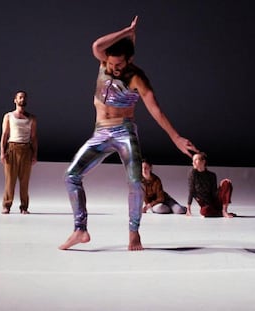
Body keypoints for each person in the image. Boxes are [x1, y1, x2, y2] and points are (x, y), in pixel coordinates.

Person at [59, 16, 198, 251]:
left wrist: (175, 137)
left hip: (124, 131)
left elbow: (155, 109)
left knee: (135, 182)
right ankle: (80, 229)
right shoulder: (105, 63)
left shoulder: (137, 78)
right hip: (101, 132)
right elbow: (96, 46)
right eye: (111, 64)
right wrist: (126, 31)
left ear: (130, 60)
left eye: (119, 65)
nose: (113, 68)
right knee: (71, 175)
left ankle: (134, 233)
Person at [0, 90, 38, 214]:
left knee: (24, 181)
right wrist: (1, 152)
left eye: (24, 98)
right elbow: (4, 135)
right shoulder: (8, 116)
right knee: (10, 180)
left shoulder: (31, 118)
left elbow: (33, 137)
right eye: (20, 97)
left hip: (26, 150)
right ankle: (6, 205)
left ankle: (24, 207)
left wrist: (35, 154)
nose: (22, 99)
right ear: (15, 100)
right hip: (12, 148)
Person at [186, 152, 235, 218]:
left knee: (226, 182)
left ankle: (224, 211)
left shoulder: (212, 175)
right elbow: (191, 191)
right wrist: (188, 208)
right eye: (193, 160)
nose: (193, 162)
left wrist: (221, 186)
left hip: (215, 202)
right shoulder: (192, 174)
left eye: (196, 160)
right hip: (206, 206)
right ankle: (219, 213)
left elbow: (214, 193)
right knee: (204, 212)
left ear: (203, 161)